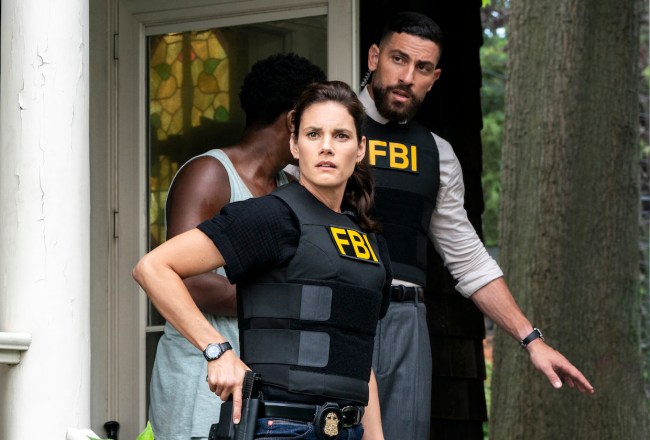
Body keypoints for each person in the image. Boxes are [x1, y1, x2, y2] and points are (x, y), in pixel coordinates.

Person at [360, 11, 595, 439]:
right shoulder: (327, 127)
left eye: (422, 68)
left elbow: (468, 259)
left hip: (405, 320)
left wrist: (531, 340)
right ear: (375, 57)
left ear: (434, 78)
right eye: (398, 59)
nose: (407, 77)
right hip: (335, 309)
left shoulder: (437, 154)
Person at [134, 81, 391, 440]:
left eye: (341, 136)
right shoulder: (272, 216)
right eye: (313, 134)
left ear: (360, 148)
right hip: (281, 427)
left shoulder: (368, 240)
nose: (327, 146)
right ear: (294, 145)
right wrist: (216, 350)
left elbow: (358, 354)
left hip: (346, 427)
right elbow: (153, 267)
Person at [148, 53, 326, 440]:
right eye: (314, 125)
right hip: (200, 381)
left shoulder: (288, 187)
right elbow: (188, 281)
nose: (321, 139)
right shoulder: (210, 174)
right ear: (293, 120)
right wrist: (282, 296)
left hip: (255, 387)